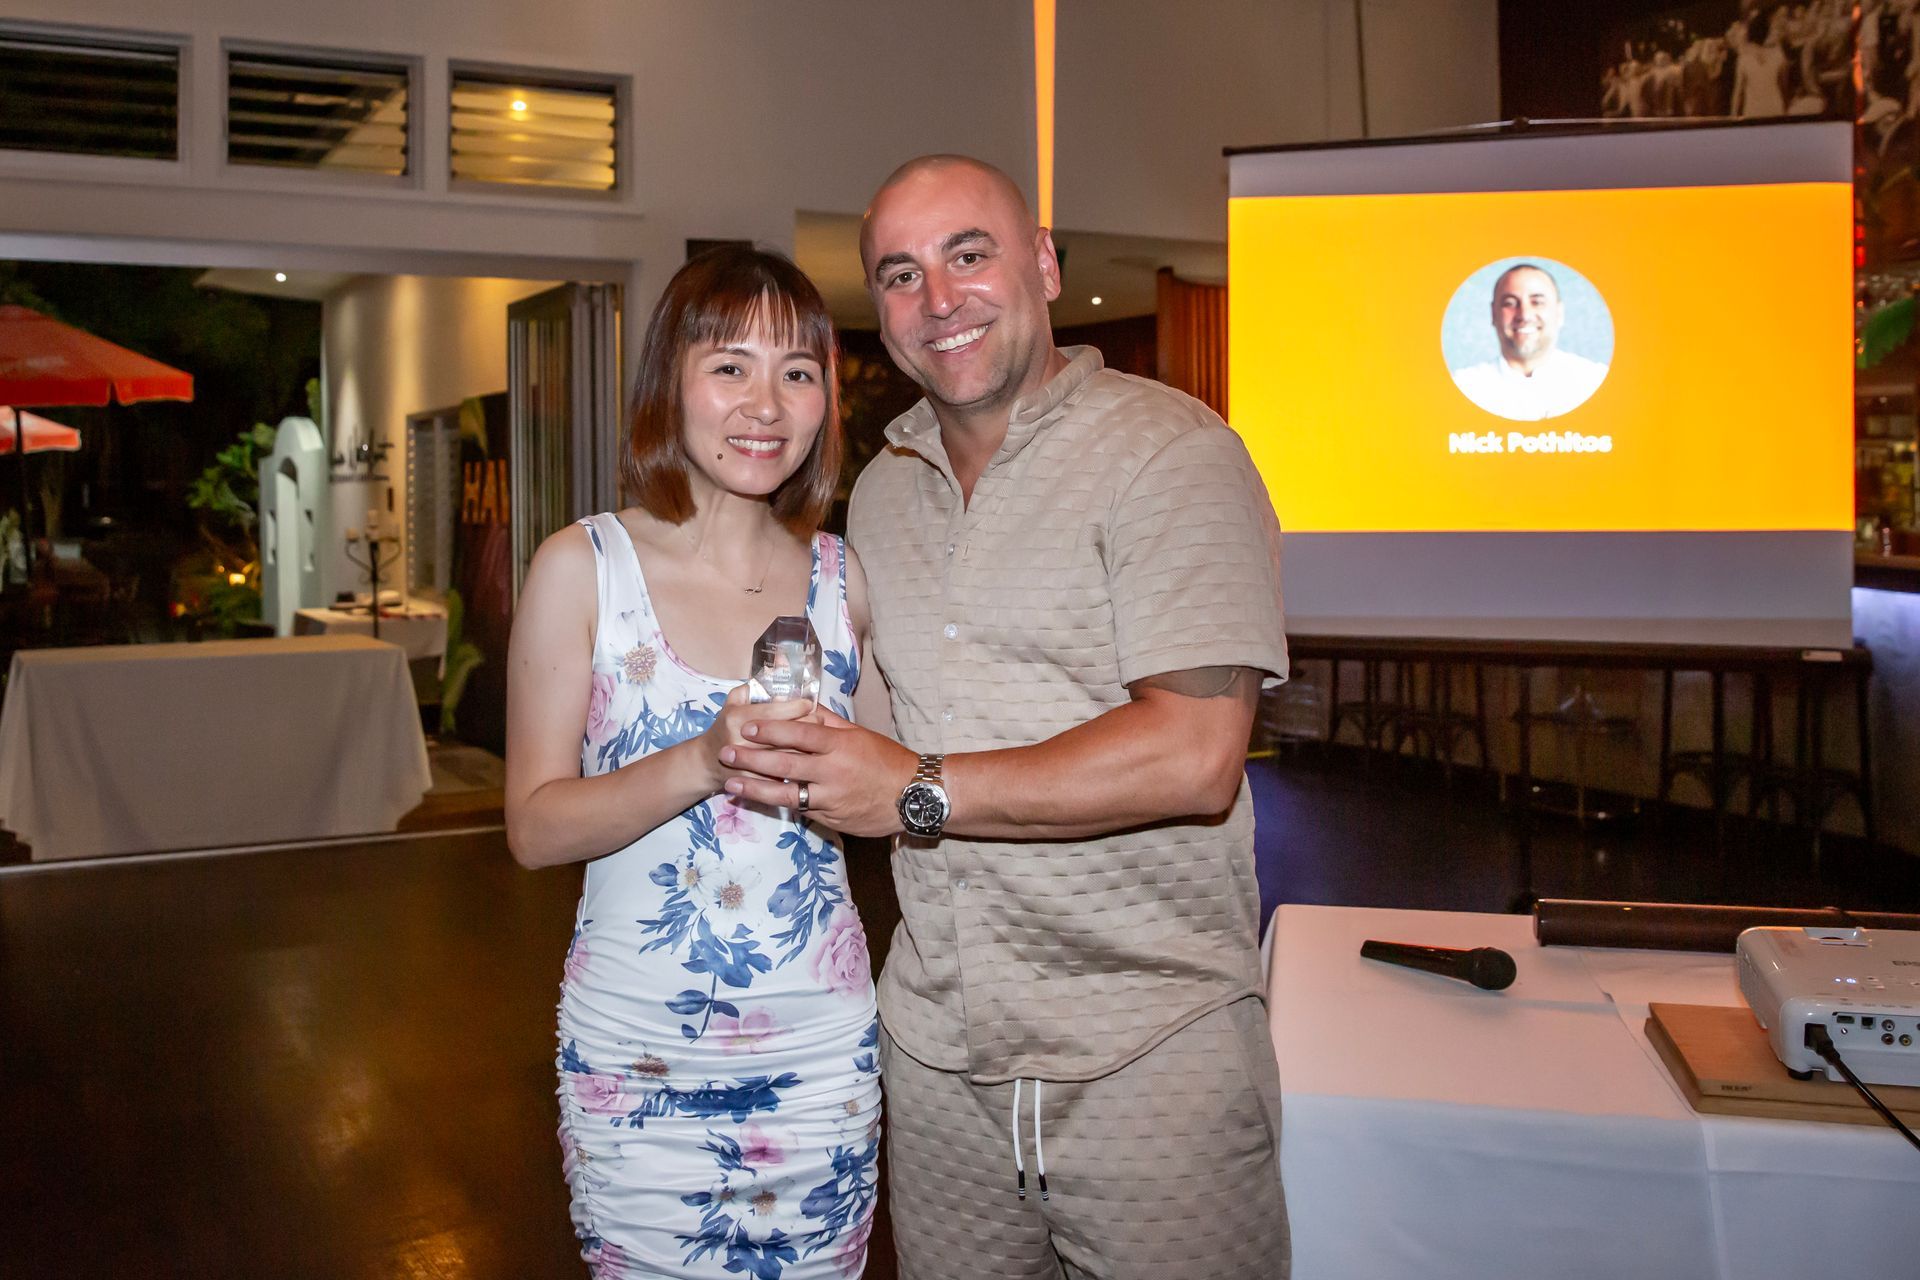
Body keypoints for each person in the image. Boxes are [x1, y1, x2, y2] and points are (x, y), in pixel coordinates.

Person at [721, 155, 1290, 1279]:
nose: (939, 298)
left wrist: (913, 787)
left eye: (968, 254)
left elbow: (1194, 751)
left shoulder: (1171, 455)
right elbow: (876, 734)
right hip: (937, 1065)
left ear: (1042, 262)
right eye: (900, 273)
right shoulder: (881, 490)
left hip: (1146, 1055)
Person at [505, 246, 883, 1280]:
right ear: (670, 380)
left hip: (820, 1054)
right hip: (637, 1053)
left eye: (798, 372)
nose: (766, 403)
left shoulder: (845, 581)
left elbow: (879, 803)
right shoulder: (583, 566)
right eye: (731, 365)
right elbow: (534, 828)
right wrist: (706, 758)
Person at [1449, 263, 1610, 422]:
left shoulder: (1595, 381)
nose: (1524, 314)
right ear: (1493, 313)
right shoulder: (1463, 387)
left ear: (1559, 313)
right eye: (1510, 303)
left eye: (1537, 302)